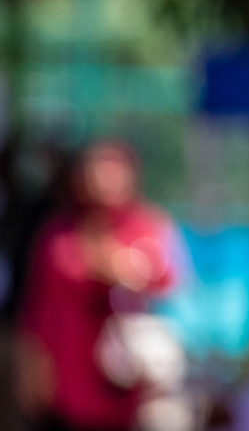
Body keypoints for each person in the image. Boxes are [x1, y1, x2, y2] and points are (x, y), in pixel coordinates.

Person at [16, 139, 182, 431]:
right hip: (64, 380)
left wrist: (121, 269)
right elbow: (38, 305)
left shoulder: (145, 225)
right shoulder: (59, 231)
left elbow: (165, 279)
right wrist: (31, 365)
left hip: (121, 380)